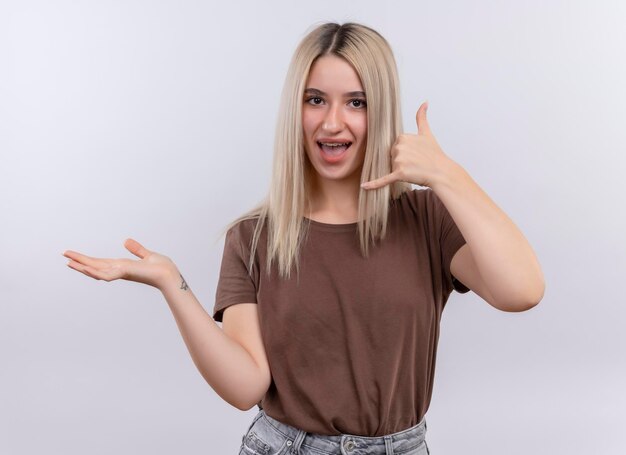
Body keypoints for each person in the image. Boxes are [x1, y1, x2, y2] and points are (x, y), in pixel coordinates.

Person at [63, 22, 545, 455]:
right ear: (296, 108)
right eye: (315, 99)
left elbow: (522, 291)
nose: (331, 122)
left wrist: (447, 176)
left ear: (380, 110)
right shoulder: (254, 238)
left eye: (356, 102)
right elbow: (246, 386)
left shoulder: (425, 218)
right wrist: (173, 284)